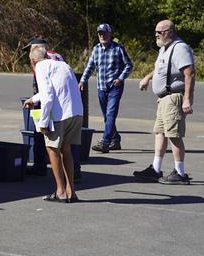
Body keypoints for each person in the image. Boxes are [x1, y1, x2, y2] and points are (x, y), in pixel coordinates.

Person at [134, 20, 195, 185]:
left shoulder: (179, 48)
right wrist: (148, 77)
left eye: (160, 32)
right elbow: (162, 67)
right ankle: (155, 169)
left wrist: (187, 99)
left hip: (174, 97)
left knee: (173, 134)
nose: (157, 34)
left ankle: (180, 173)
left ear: (171, 31)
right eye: (155, 31)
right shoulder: (164, 48)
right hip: (163, 98)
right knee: (160, 132)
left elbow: (189, 73)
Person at [22, 37, 83, 181]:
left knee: (53, 146)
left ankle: (56, 182)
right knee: (67, 145)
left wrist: (43, 121)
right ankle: (74, 174)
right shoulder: (58, 58)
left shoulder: (41, 63)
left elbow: (48, 93)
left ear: (38, 48)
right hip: (74, 108)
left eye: (30, 49)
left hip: (57, 107)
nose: (29, 54)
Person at [79, 24, 133, 153]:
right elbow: (90, 66)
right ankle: (116, 139)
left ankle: (105, 142)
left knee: (110, 114)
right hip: (101, 87)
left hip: (115, 87)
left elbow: (129, 65)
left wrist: (120, 78)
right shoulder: (96, 49)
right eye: (100, 33)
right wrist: (82, 80)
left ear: (110, 34)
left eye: (104, 33)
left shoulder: (118, 48)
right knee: (106, 116)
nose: (102, 35)